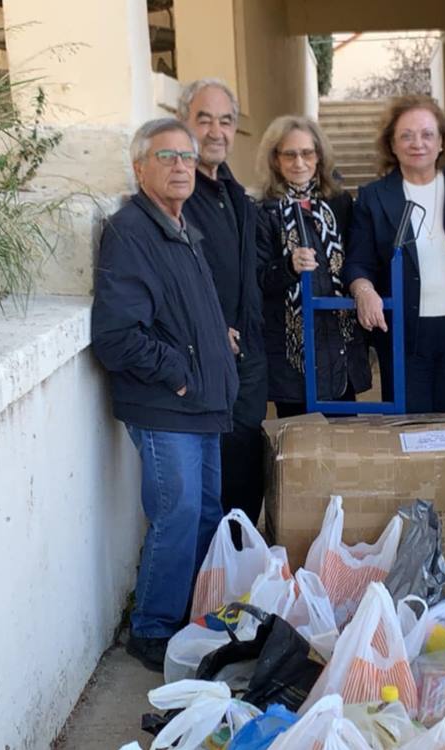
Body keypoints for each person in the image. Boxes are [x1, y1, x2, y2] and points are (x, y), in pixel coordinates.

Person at [91, 118, 239, 671]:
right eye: (166, 156)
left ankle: (190, 619)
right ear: (139, 167)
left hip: (199, 402)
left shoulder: (181, 227)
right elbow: (116, 333)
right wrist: (178, 371)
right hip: (165, 402)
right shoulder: (131, 230)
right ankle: (151, 628)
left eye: (186, 156)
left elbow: (180, 311)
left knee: (204, 514)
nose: (180, 166)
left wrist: (214, 341)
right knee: (176, 515)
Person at [342, 95, 445, 422]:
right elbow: (358, 261)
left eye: (426, 134)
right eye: (406, 135)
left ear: (442, 142)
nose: (417, 143)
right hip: (403, 332)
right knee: (407, 430)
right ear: (391, 145)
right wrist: (364, 291)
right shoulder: (374, 196)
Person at [178, 78, 267, 524]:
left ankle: (242, 572)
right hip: (206, 360)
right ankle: (216, 581)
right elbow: (180, 279)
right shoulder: (178, 195)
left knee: (248, 473)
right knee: (215, 484)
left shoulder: (234, 192)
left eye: (226, 121)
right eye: (204, 119)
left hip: (247, 359)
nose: (216, 131)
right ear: (183, 124)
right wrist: (212, 330)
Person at [253, 115, 370, 416]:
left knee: (344, 445)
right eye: (289, 154)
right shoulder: (263, 211)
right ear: (275, 160)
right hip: (293, 355)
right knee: (299, 451)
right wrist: (288, 267)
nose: (299, 162)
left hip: (340, 346)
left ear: (319, 156)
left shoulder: (340, 204)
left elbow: (357, 260)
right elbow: (258, 278)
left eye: (307, 153)